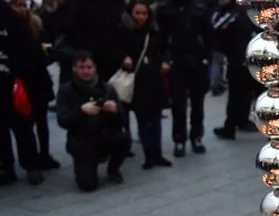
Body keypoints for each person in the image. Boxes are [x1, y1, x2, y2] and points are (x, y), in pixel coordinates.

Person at [56, 52, 129, 191]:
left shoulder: (107, 88)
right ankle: (88, 165)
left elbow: (122, 120)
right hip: (81, 140)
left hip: (104, 135)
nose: (85, 71)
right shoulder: (66, 90)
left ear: (95, 68)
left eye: (89, 67)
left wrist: (115, 110)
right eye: (81, 67)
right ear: (74, 69)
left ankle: (113, 169)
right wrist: (81, 111)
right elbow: (62, 121)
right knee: (88, 186)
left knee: (124, 138)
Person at [116, 0, 172, 169]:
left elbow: (164, 48)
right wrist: (123, 58)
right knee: (143, 119)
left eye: (144, 13)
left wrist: (165, 61)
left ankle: (157, 153)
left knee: (156, 119)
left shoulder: (154, 30)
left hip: (154, 79)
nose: (141, 17)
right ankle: (148, 153)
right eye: (137, 13)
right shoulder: (123, 31)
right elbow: (114, 48)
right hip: (137, 80)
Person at [9, 0, 61, 171]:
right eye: (18, 5)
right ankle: (31, 158)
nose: (22, 9)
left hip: (38, 79)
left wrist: (42, 58)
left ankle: (45, 155)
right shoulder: (7, 27)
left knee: (42, 120)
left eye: (24, 5)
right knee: (26, 123)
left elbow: (48, 49)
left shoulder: (36, 24)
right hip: (19, 82)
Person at [158, 0, 214, 157]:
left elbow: (208, 34)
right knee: (178, 104)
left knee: (198, 102)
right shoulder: (166, 9)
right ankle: (179, 139)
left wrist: (206, 57)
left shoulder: (200, 8)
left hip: (197, 60)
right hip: (176, 61)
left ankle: (196, 137)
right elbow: (162, 36)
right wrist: (164, 58)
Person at [0, 0, 46, 185]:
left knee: (22, 127)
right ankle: (6, 167)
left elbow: (29, 51)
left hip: (14, 83)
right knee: (0, 131)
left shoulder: (12, 19)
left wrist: (15, 71)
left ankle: (31, 165)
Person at [212, 0, 261, 140]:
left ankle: (232, 126)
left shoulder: (236, 12)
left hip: (240, 59)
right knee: (246, 92)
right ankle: (240, 122)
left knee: (238, 94)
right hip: (247, 59)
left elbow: (217, 26)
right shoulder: (246, 12)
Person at [62, 0, 127, 82]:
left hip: (111, 59)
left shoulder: (117, 3)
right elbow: (71, 29)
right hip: (83, 57)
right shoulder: (79, 3)